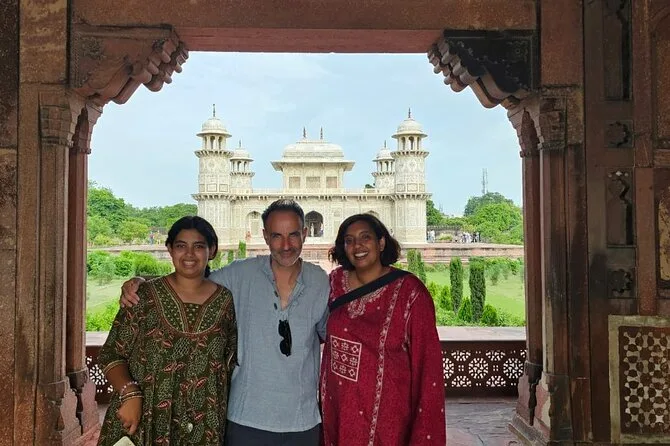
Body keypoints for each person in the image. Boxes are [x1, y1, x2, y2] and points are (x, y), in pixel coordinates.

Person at [120, 199, 329, 446]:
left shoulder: (320, 281)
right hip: (246, 417)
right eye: (276, 236)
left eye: (293, 235)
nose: (286, 245)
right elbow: (190, 281)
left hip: (302, 419)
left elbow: (332, 334)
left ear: (304, 233)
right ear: (265, 236)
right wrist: (141, 282)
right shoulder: (240, 275)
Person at [97, 216, 237, 445]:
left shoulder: (224, 302)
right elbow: (111, 353)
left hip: (203, 423)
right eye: (181, 246)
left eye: (198, 246)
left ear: (212, 250)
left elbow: (228, 362)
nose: (189, 254)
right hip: (144, 418)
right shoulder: (142, 297)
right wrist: (130, 393)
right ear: (170, 249)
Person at [321, 213, 446, 445]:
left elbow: (427, 366)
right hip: (339, 409)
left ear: (381, 243)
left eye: (365, 237)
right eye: (349, 240)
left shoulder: (410, 292)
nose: (357, 245)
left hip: (388, 418)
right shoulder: (334, 282)